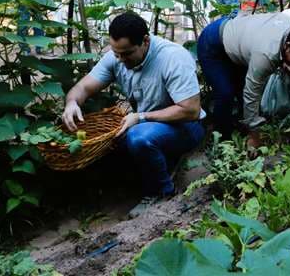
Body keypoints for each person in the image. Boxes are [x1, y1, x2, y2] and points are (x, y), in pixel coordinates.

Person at [62, 12, 204, 207]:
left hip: (185, 127)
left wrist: (141, 117)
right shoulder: (118, 56)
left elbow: (191, 110)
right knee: (109, 139)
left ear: (145, 41)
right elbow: (82, 88)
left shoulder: (173, 58)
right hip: (146, 124)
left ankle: (161, 192)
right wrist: (72, 103)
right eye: (116, 53)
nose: (120, 59)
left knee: (138, 137)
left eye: (127, 54)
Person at [196, 13, 290, 150]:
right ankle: (222, 141)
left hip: (240, 40)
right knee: (225, 94)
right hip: (213, 42)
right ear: (287, 46)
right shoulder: (266, 55)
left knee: (240, 89)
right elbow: (252, 93)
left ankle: (239, 127)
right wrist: (255, 134)